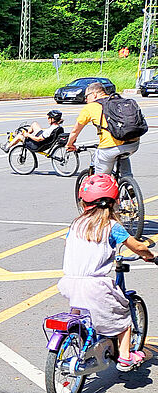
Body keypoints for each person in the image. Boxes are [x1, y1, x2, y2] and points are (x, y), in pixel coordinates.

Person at [58, 174, 155, 371]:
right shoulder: (111, 226)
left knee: (80, 311)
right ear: (114, 202)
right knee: (123, 315)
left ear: (83, 201)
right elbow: (136, 245)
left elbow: (69, 242)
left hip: (68, 281)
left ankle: (79, 338)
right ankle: (126, 357)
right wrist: (149, 255)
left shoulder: (76, 224)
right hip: (95, 285)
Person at [65, 82, 139, 178]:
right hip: (133, 144)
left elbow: (75, 131)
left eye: (86, 97)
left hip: (109, 148)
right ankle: (129, 185)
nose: (85, 100)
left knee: (102, 178)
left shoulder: (91, 107)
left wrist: (69, 144)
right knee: (123, 156)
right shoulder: (120, 100)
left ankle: (103, 186)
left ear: (94, 94)